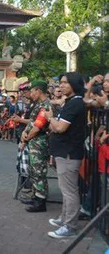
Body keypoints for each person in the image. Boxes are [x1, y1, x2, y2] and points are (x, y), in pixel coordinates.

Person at [44, 72, 86, 238]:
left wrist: (50, 118)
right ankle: (64, 219)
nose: (60, 86)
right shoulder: (71, 102)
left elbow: (60, 128)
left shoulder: (75, 104)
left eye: (65, 83)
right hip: (63, 152)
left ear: (74, 85)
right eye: (60, 83)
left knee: (69, 191)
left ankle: (70, 226)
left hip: (69, 154)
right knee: (66, 189)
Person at [20, 80, 52, 212]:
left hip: (39, 142)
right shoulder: (39, 104)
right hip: (34, 141)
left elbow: (38, 126)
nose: (31, 93)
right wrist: (24, 133)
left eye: (32, 91)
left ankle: (41, 200)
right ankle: (35, 196)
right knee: (33, 171)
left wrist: (27, 137)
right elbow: (32, 122)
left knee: (39, 171)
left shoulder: (46, 105)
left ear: (38, 91)